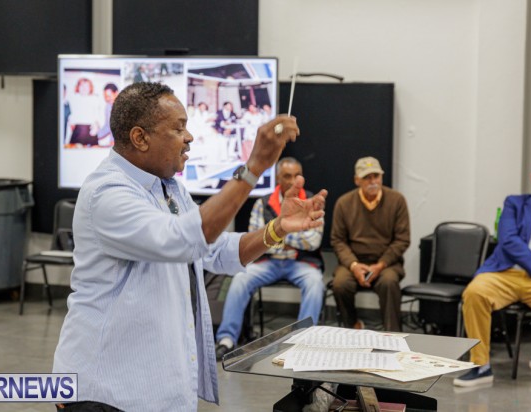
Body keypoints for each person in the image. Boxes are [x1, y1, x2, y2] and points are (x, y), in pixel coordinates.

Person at [52, 82, 327, 411]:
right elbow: (182, 239)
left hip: (152, 389)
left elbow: (217, 250)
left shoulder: (169, 188)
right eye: (178, 128)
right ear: (140, 138)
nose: (190, 137)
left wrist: (278, 227)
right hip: (105, 392)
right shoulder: (107, 193)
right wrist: (253, 167)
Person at [454, 155, 531, 388]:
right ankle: (480, 365)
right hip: (505, 274)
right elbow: (509, 241)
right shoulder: (515, 204)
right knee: (475, 293)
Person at [214, 157, 326, 359]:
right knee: (240, 278)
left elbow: (313, 241)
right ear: (278, 178)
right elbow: (253, 239)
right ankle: (226, 339)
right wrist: (287, 236)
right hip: (268, 263)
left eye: (297, 176)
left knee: (315, 283)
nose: (292, 181)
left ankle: (303, 341)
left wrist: (273, 237)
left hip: (301, 263)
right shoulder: (262, 203)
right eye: (287, 176)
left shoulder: (312, 202)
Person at [330, 156, 410, 332]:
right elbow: (338, 240)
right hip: (354, 262)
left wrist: (380, 265)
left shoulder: (397, 200)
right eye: (367, 177)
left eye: (376, 176)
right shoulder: (344, 203)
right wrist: (354, 265)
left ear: (382, 176)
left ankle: (393, 335)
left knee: (389, 282)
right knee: (340, 284)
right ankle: (352, 327)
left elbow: (402, 239)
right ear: (357, 180)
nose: (373, 181)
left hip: (386, 263)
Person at [67, 77, 102, 146]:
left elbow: (97, 115)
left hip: (91, 129)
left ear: (90, 88)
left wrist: (96, 126)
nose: (84, 88)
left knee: (92, 150)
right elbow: (71, 115)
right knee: (75, 149)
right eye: (82, 85)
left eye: (87, 86)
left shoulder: (95, 99)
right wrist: (71, 123)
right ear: (78, 87)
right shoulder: (73, 98)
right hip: (78, 129)